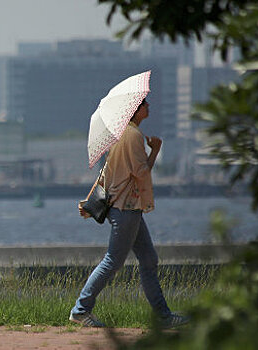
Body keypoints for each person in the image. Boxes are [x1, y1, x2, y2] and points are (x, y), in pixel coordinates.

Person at [69, 98, 189, 329]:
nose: (149, 107)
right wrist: (155, 150)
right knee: (112, 261)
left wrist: (91, 201)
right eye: (145, 104)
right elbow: (141, 172)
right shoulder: (133, 136)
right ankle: (81, 310)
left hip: (128, 207)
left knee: (148, 259)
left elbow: (107, 172)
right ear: (135, 110)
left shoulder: (119, 134)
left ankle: (163, 317)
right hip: (126, 208)